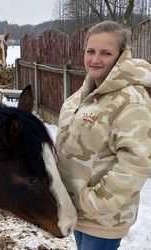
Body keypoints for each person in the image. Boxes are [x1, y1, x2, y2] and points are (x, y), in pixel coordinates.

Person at [55, 20, 151, 250]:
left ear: (121, 56)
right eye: (91, 51)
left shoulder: (130, 100)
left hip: (103, 217)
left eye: (106, 53)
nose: (95, 59)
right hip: (78, 208)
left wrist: (95, 202)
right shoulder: (88, 90)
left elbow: (137, 163)